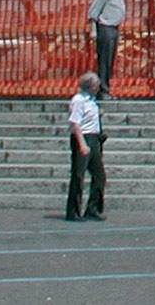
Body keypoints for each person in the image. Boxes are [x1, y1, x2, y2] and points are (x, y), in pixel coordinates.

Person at [65, 72, 105, 222]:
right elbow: (75, 123)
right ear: (90, 86)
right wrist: (82, 144)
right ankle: (73, 211)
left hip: (94, 138)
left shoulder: (92, 101)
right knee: (78, 175)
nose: (98, 88)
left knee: (99, 175)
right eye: (96, 85)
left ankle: (93, 208)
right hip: (83, 137)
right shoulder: (79, 100)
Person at [86, 0, 127, 99]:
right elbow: (94, 11)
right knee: (104, 60)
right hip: (105, 28)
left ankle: (106, 87)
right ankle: (102, 90)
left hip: (114, 28)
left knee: (110, 60)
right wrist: (93, 30)